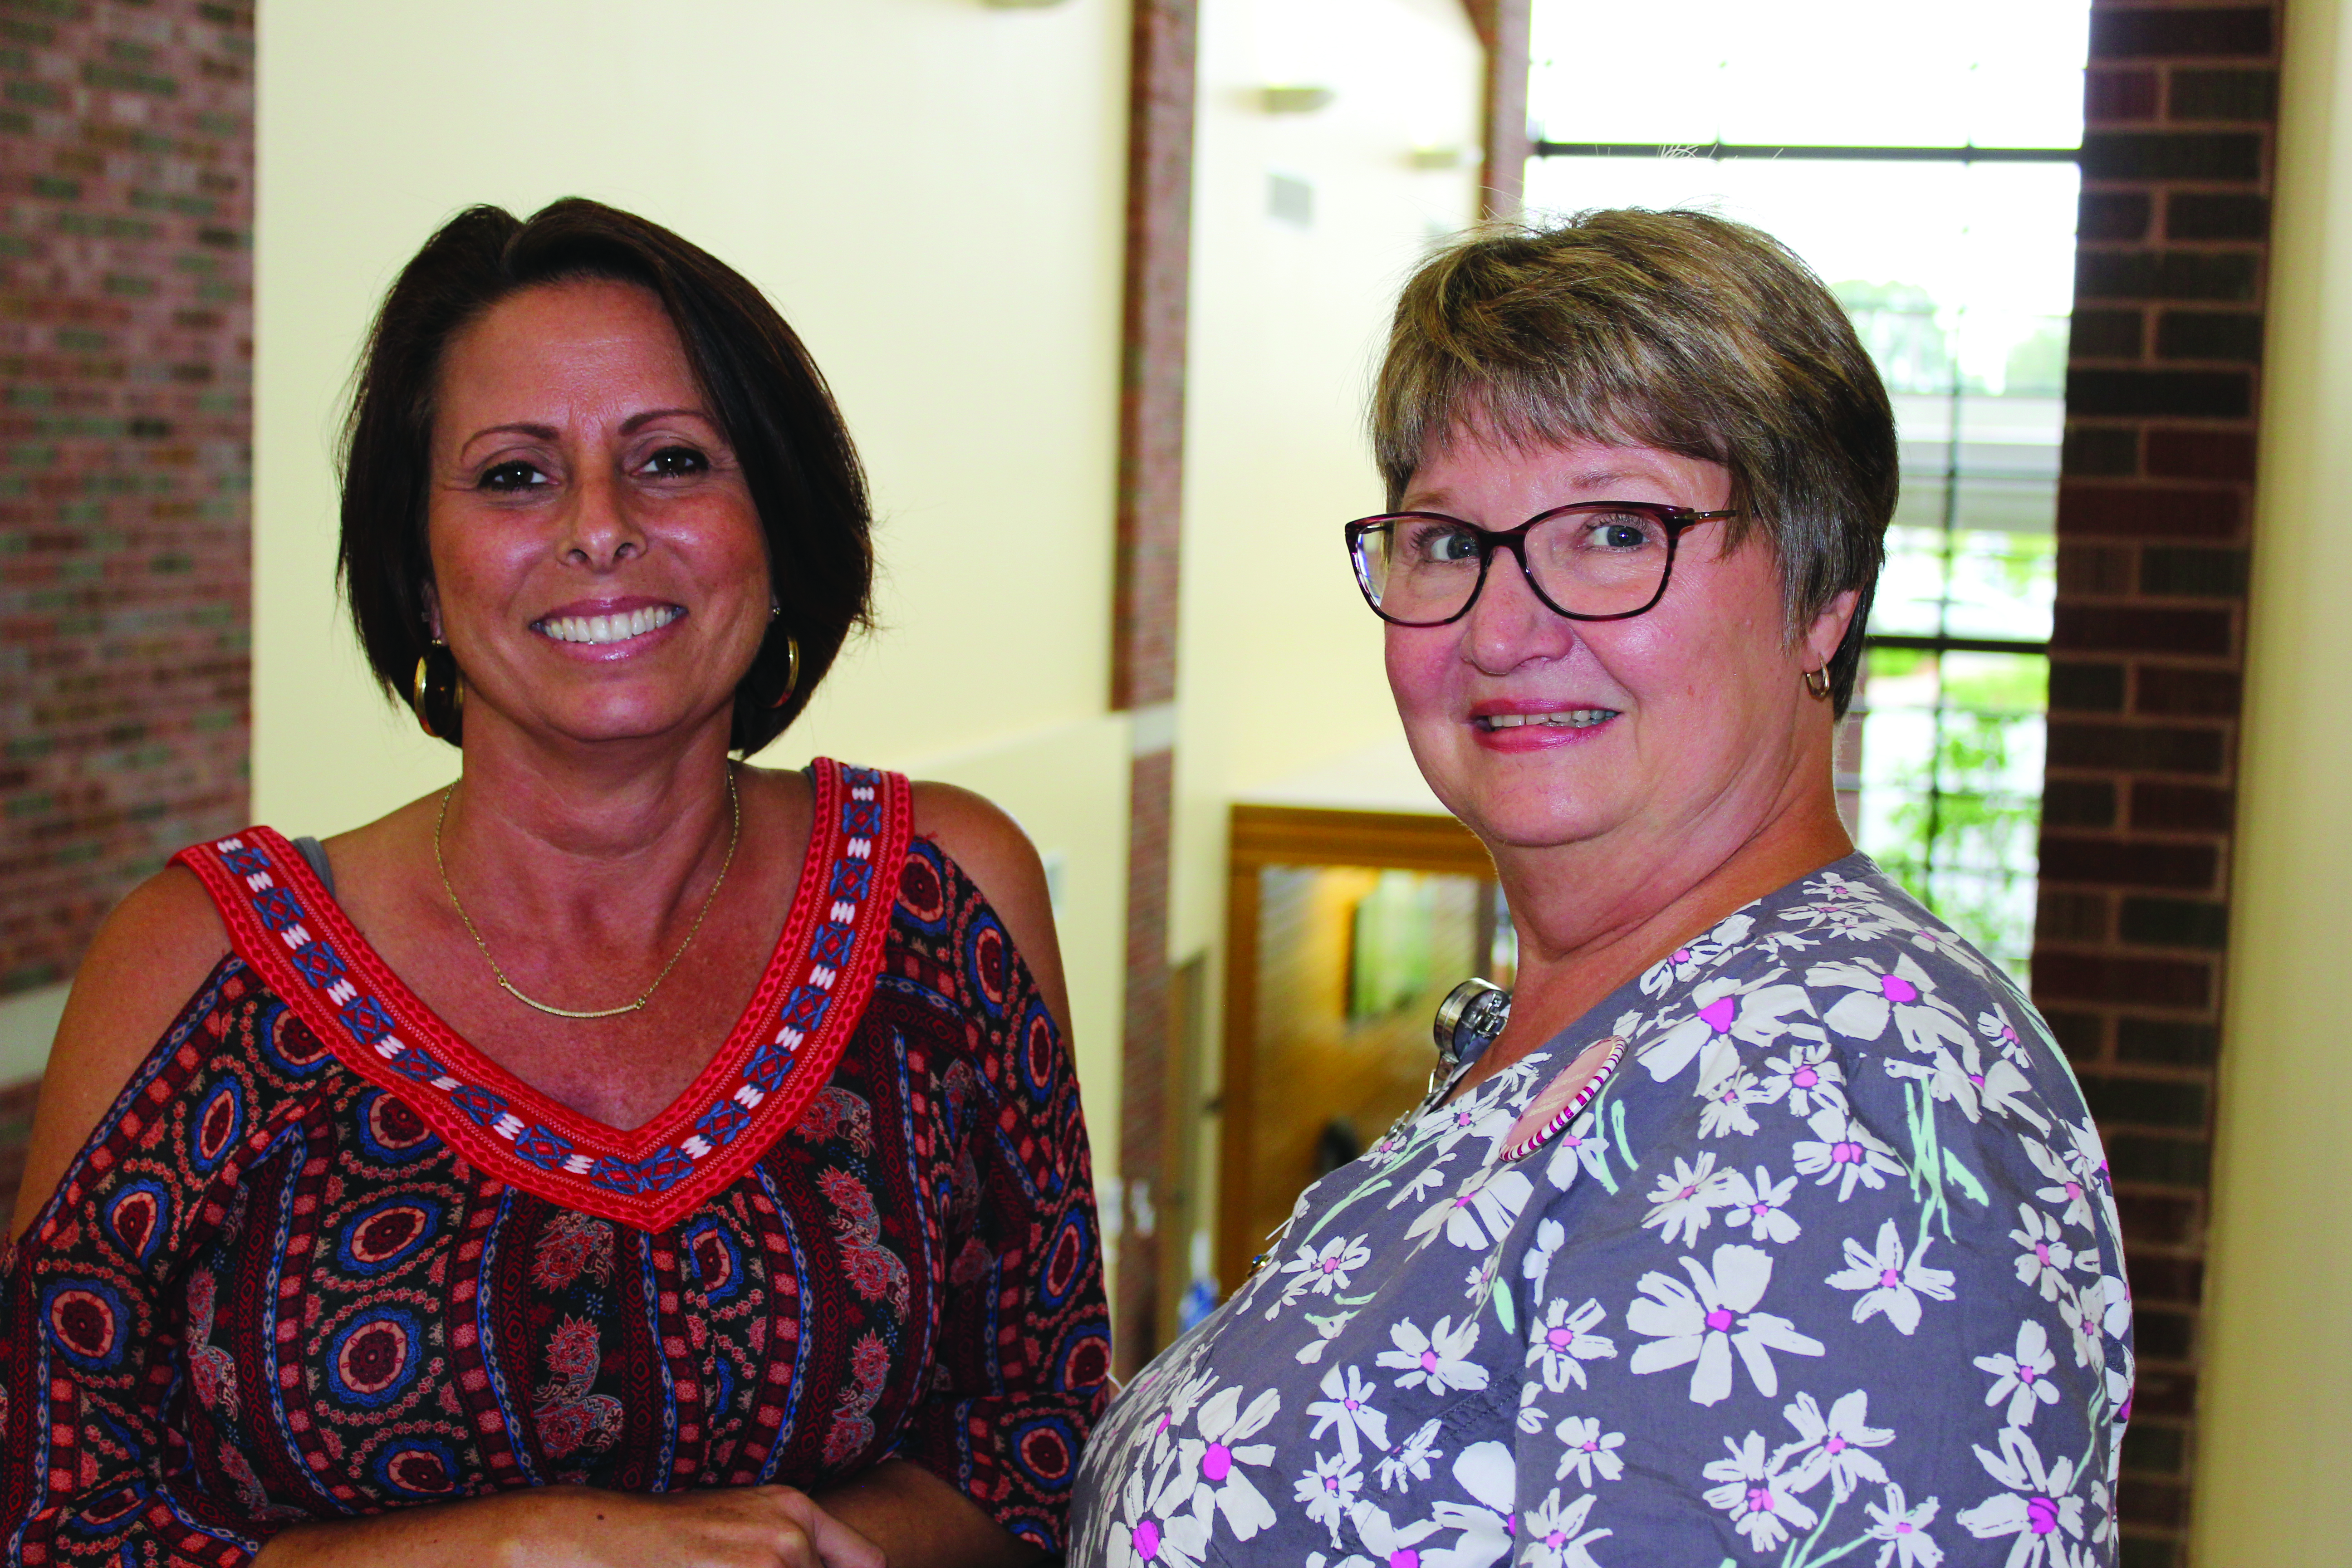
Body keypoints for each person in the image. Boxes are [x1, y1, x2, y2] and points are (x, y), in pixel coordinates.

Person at [2, 199, 1109, 1568]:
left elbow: (1042, 1443)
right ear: (418, 567)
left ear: (777, 530)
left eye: (674, 461)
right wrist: (512, 1552)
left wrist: (782, 1552)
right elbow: (53, 1516)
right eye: (516, 475)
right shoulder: (200, 962)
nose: (600, 528)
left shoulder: (943, 898)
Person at [1070, 210, 2131, 1567]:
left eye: (1616, 533)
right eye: (1448, 542)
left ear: (1823, 599)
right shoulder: (1609, 1033)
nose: (1504, 631)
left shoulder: (1841, 1085)